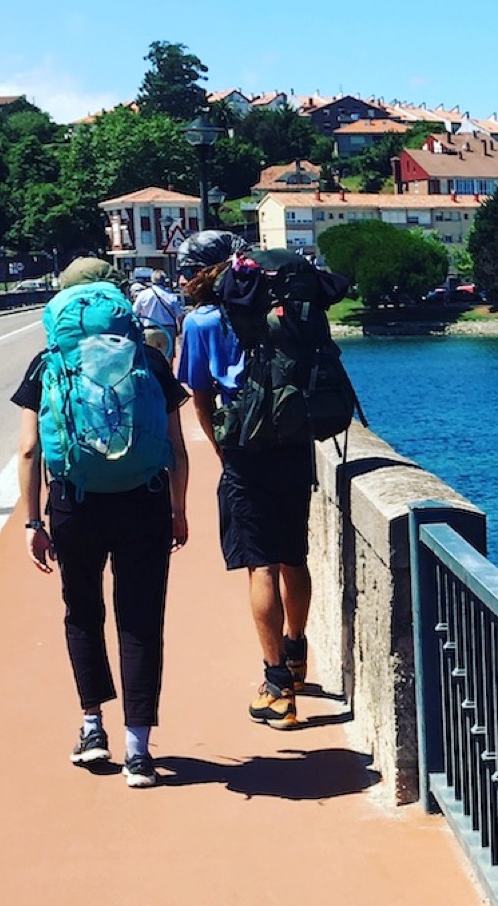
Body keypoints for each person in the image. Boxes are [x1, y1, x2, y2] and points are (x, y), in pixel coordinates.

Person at [14, 256, 190, 788]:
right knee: (140, 620)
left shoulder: (47, 363)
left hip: (75, 502)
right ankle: (140, 751)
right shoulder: (150, 360)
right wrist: (178, 510)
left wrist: (31, 522)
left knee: (82, 613)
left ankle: (94, 729)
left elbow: (29, 450)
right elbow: (177, 450)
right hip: (145, 500)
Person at [174, 231, 313, 731]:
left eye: (188, 270)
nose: (184, 279)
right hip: (294, 445)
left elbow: (201, 395)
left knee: (261, 566)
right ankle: (296, 653)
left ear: (204, 271)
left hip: (245, 453)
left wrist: (219, 448)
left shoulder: (202, 322)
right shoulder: (282, 312)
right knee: (293, 554)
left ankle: (277, 688)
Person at [131, 269, 185, 356]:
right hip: (168, 330)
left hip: (150, 329)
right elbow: (180, 315)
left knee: (151, 358)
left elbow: (134, 312)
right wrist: (180, 330)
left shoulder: (144, 294)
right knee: (167, 358)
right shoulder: (171, 296)